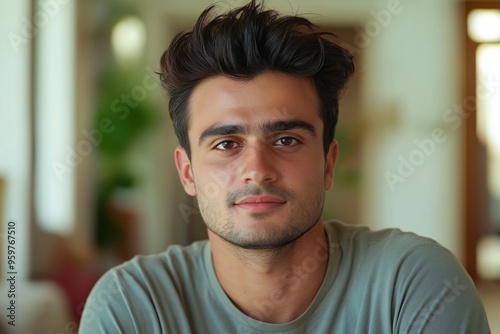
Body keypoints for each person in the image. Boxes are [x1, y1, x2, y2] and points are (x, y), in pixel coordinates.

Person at [79, 1, 491, 333]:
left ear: (328, 163)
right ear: (187, 172)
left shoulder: (413, 284)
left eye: (286, 140)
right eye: (226, 143)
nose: (257, 170)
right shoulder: (133, 306)